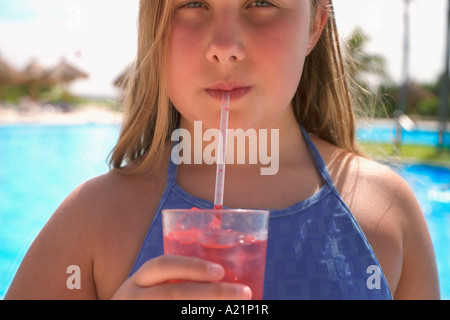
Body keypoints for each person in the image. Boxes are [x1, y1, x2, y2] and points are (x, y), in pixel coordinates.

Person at [6, 0, 440, 300]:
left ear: (314, 25)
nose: (225, 47)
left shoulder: (387, 215)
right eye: (193, 1)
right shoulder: (93, 223)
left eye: (262, 0)